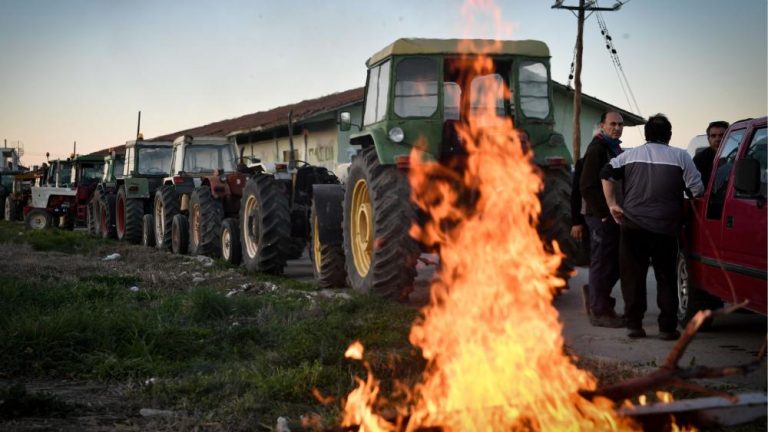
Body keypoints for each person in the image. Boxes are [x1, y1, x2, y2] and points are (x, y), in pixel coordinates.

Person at [600, 114, 704, 340]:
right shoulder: (681, 156)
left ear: (646, 134)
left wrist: (612, 204)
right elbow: (697, 190)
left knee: (633, 277)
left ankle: (634, 325)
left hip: (633, 227)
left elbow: (606, 173)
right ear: (669, 135)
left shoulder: (629, 155)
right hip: (666, 228)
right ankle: (667, 328)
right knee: (666, 277)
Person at [579, 111, 625, 328]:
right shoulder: (597, 149)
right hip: (600, 217)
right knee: (603, 262)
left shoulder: (613, 148)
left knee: (615, 262)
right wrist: (604, 214)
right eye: (612, 124)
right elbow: (586, 185)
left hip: (611, 215)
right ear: (602, 126)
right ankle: (599, 311)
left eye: (620, 125)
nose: (617, 128)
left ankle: (596, 295)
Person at [693, 120, 729, 185]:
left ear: (729, 137)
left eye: (722, 135)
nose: (717, 139)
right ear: (708, 139)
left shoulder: (739, 155)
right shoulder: (700, 159)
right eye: (713, 136)